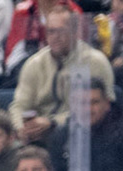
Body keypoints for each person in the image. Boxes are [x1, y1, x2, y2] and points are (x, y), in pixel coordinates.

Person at [10, 0, 115, 145]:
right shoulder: (34, 64)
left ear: (74, 31)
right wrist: (21, 128)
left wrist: (52, 123)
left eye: (61, 31)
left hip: (83, 138)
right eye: (51, 31)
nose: (55, 36)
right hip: (36, 140)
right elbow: (19, 105)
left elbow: (102, 108)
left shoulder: (95, 62)